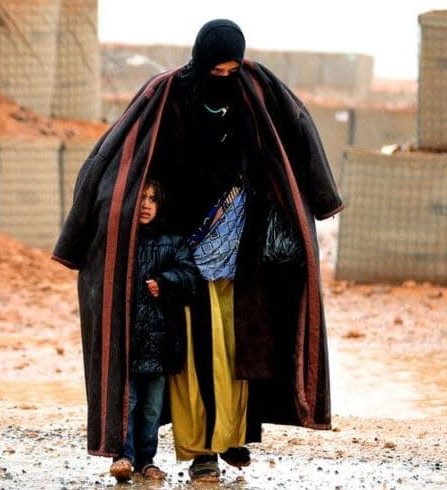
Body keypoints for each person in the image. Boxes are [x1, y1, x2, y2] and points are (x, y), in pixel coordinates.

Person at [52, 18, 343, 483]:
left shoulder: (256, 89)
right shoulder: (166, 94)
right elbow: (114, 152)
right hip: (182, 250)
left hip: (240, 250)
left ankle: (231, 438)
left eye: (231, 71)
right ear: (201, 60)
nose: (225, 79)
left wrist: (319, 199)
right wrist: (86, 229)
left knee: (237, 350)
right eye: (217, 70)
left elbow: (298, 128)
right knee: (190, 359)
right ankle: (199, 451)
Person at [108, 179, 197, 483]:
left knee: (151, 408)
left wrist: (167, 281)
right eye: (141, 197)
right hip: (129, 341)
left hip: (159, 342)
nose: (146, 204)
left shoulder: (174, 241)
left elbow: (190, 277)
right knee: (128, 402)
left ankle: (147, 460)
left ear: (162, 204)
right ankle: (125, 456)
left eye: (153, 199)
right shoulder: (121, 240)